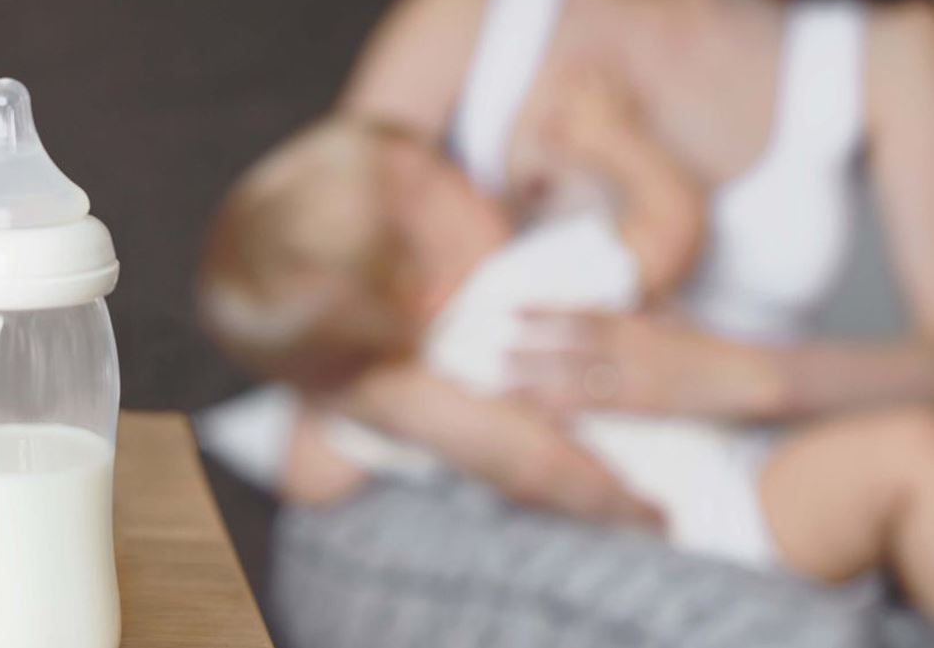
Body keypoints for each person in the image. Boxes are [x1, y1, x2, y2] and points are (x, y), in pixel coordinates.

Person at [318, 0, 934, 616]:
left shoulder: (880, 36)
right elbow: (312, 280)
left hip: (728, 464)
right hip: (488, 463)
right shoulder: (469, 4)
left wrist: (747, 376)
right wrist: (480, 432)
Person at [201, 62, 812, 569]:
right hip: (736, 504)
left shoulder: (409, 389)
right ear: (424, 283)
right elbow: (672, 230)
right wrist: (612, 139)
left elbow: (310, 477)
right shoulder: (518, 286)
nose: (470, 174)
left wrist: (337, 374)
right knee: (874, 464)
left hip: (663, 546)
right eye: (442, 172)